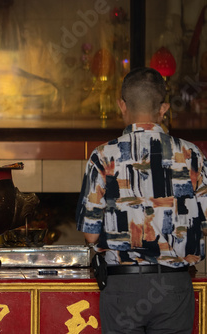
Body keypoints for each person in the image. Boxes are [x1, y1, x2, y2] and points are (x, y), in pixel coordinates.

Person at [76, 67, 207, 333]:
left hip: (122, 288)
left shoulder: (102, 156)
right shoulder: (192, 155)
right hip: (174, 287)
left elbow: (90, 236)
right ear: (164, 108)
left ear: (121, 105)